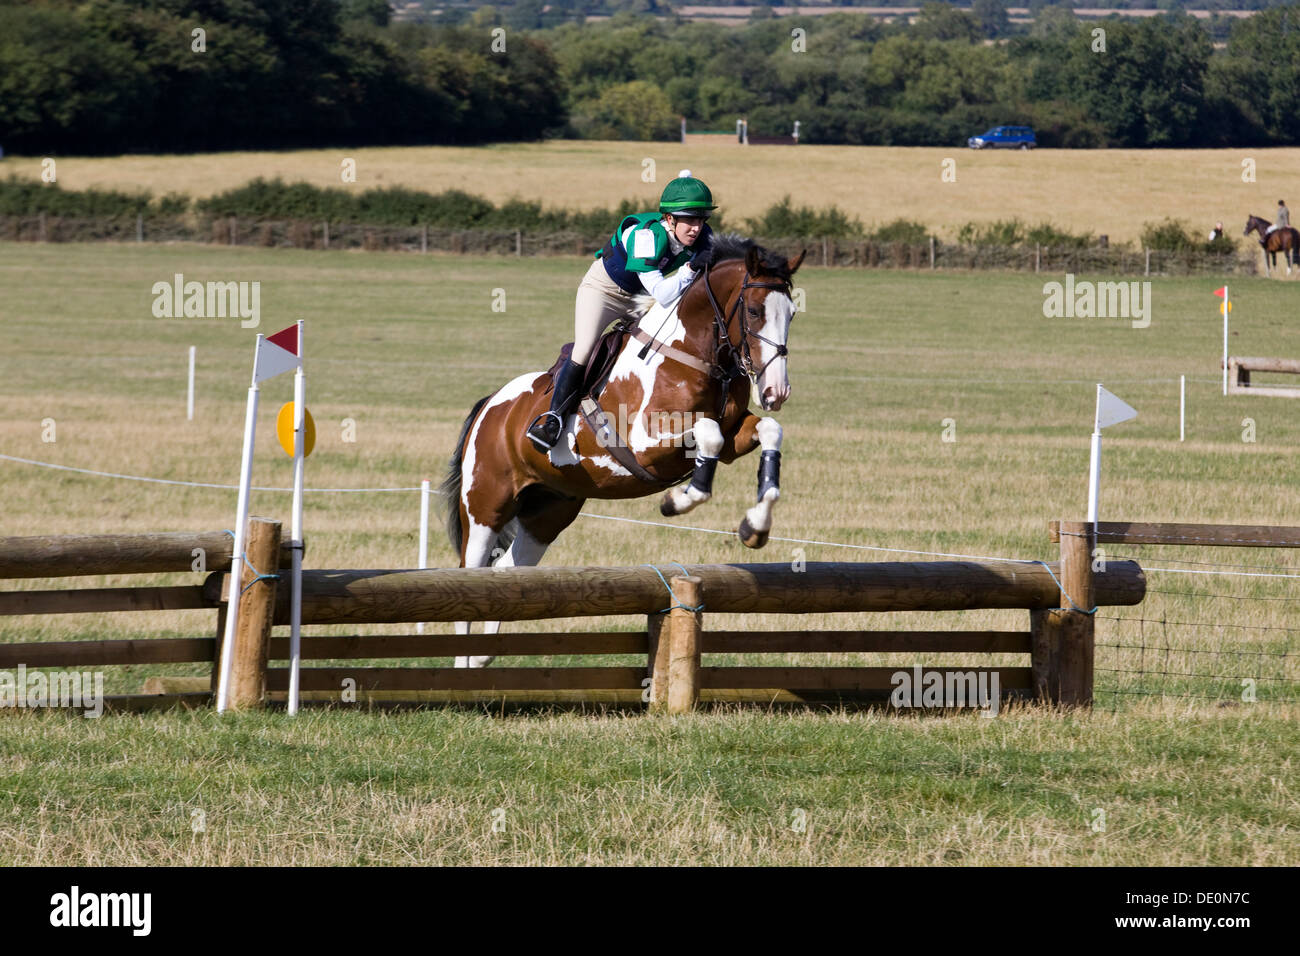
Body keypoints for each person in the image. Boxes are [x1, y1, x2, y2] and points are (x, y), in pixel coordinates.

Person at [525, 170, 717, 453]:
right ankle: (553, 418)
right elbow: (664, 294)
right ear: (669, 219)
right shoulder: (645, 236)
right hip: (604, 291)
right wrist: (690, 269)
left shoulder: (703, 237)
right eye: (688, 219)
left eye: (701, 219)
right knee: (585, 348)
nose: (696, 228)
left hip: (641, 296)